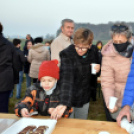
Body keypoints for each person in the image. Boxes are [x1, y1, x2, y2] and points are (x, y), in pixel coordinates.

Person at [50, 28, 100, 120]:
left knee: (81, 122)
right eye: (77, 46)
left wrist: (98, 69)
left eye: (83, 47)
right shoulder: (67, 54)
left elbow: (96, 72)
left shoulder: (94, 51)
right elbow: (66, 79)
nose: (80, 50)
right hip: (69, 95)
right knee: (69, 124)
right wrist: (64, 102)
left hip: (85, 95)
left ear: (90, 45)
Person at [101, 22, 133, 122]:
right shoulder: (108, 55)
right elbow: (107, 82)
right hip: (118, 98)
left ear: (129, 38)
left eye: (121, 41)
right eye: (115, 41)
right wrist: (110, 102)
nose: (118, 44)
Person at [0, 22, 19, 112]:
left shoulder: (9, 45)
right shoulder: (9, 45)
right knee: (3, 107)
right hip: (5, 79)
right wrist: (15, 80)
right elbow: (15, 64)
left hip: (5, 78)